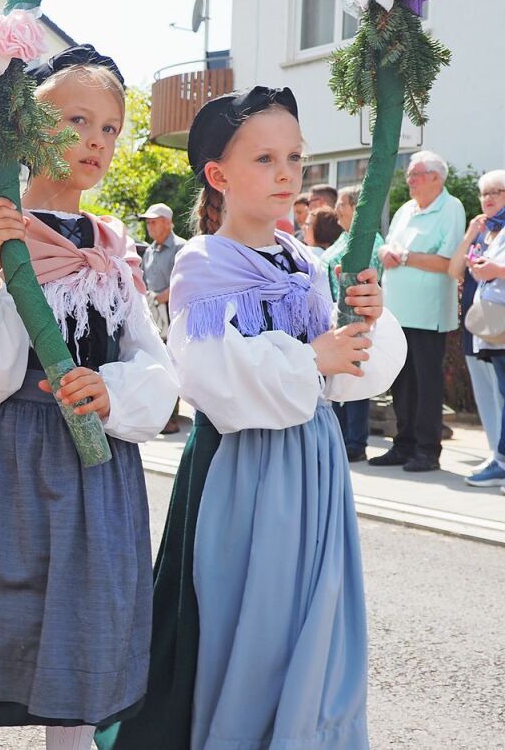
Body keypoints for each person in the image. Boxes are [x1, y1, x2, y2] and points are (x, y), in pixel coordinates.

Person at [97, 86, 405, 750]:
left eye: (295, 155)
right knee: (250, 628)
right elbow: (212, 377)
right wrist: (311, 356)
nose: (287, 172)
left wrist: (367, 320)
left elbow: (353, 376)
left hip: (314, 468)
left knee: (314, 622)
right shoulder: (204, 263)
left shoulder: (306, 262)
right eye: (265, 157)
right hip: (245, 472)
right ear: (219, 174)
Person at [0, 46, 180, 750]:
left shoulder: (113, 248)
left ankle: (73, 740)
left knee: (90, 613)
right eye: (77, 120)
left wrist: (111, 389)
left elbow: (153, 361)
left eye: (111, 128)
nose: (96, 140)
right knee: (0, 604)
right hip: (17, 459)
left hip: (97, 466)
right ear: (28, 130)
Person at [370, 150, 466, 473]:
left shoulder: (450, 208)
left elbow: (447, 262)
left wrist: (406, 257)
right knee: (402, 382)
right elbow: (389, 245)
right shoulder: (407, 210)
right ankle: (404, 444)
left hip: (428, 314)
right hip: (398, 313)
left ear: (436, 178)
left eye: (416, 174)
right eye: (409, 174)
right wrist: (386, 251)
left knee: (427, 385)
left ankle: (427, 450)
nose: (409, 180)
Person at [449, 170, 505, 486]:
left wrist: (496, 269)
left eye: (497, 191)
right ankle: (496, 454)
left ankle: (501, 459)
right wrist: (470, 236)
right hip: (483, 326)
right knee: (491, 394)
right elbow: (454, 270)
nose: (489, 198)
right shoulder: (486, 232)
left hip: (499, 324)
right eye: (485, 193)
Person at [323, 184, 386, 462]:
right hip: (334, 316)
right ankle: (340, 437)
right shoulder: (344, 237)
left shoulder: (369, 241)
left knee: (353, 378)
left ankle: (355, 442)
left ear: (357, 208)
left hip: (356, 315)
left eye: (342, 204)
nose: (336, 209)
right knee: (336, 381)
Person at [139, 201, 185, 433]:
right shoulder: (149, 250)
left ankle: (171, 415)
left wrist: (160, 298)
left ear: (167, 223)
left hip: (173, 311)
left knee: (171, 362)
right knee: (155, 360)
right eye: (147, 222)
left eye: (153, 222)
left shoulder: (180, 248)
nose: (149, 226)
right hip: (154, 311)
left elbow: (183, 283)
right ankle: (159, 414)